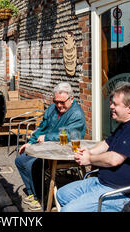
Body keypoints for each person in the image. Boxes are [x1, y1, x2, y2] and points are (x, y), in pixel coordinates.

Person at [56, 82, 130, 212]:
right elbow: (107, 143)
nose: (111, 106)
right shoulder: (126, 124)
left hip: (122, 193)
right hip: (102, 182)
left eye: (115, 104)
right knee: (61, 194)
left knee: (68, 210)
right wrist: (88, 151)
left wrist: (90, 159)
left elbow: (114, 159)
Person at [15, 82, 86, 211]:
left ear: (71, 99)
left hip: (66, 152)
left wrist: (47, 137)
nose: (59, 105)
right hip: (46, 148)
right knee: (20, 160)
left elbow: (69, 134)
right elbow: (43, 127)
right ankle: (34, 194)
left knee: (34, 165)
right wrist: (31, 142)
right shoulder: (52, 108)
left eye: (62, 102)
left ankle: (43, 199)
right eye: (56, 101)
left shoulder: (77, 114)